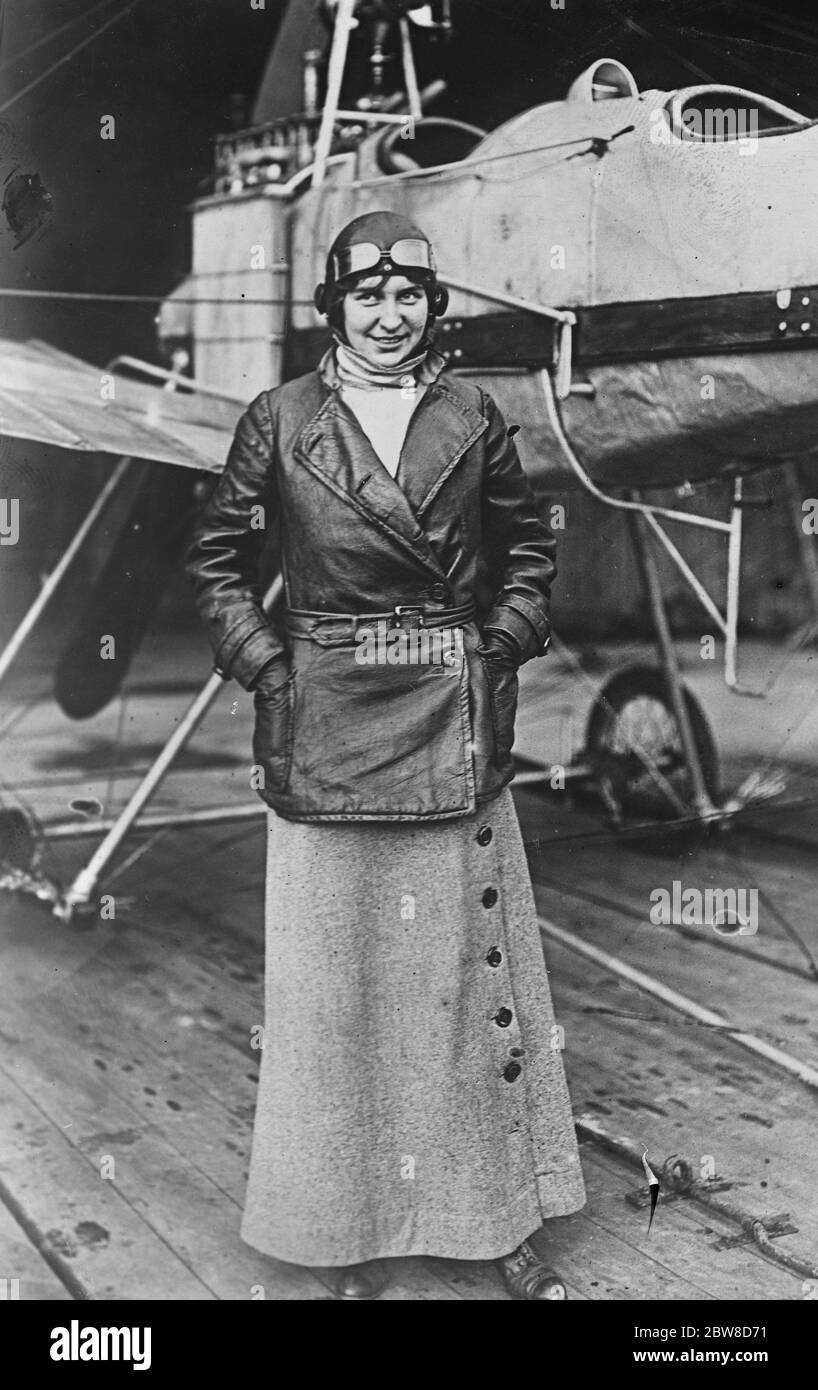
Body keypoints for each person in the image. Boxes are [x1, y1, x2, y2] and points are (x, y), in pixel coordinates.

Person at [185, 209, 586, 1300]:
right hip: (327, 722)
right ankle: (344, 1230)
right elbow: (217, 559)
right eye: (368, 295)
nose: (390, 313)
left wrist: (496, 646)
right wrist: (274, 668)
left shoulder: (475, 415)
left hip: (448, 717)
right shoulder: (277, 418)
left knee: (460, 980)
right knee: (335, 994)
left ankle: (492, 1216)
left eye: (408, 295)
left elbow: (529, 546)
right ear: (335, 307)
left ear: (430, 304)